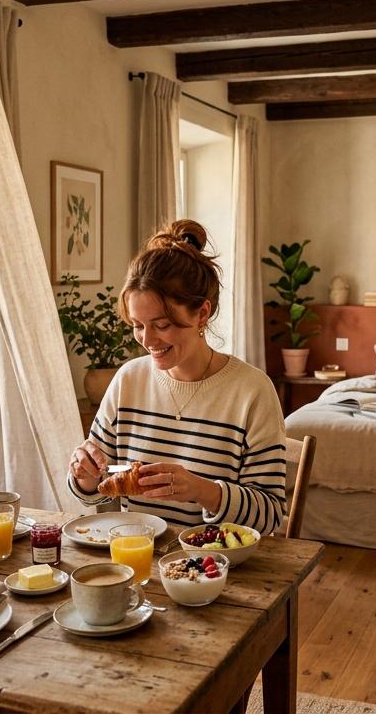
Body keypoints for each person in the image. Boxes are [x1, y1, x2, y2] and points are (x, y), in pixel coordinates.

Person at [67, 219, 287, 535]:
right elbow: (100, 481)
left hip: (215, 560)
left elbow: (269, 515)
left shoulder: (252, 391)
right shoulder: (128, 380)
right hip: (136, 554)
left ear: (202, 313)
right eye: (138, 326)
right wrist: (86, 474)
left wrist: (202, 490)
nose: (147, 340)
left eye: (162, 325)